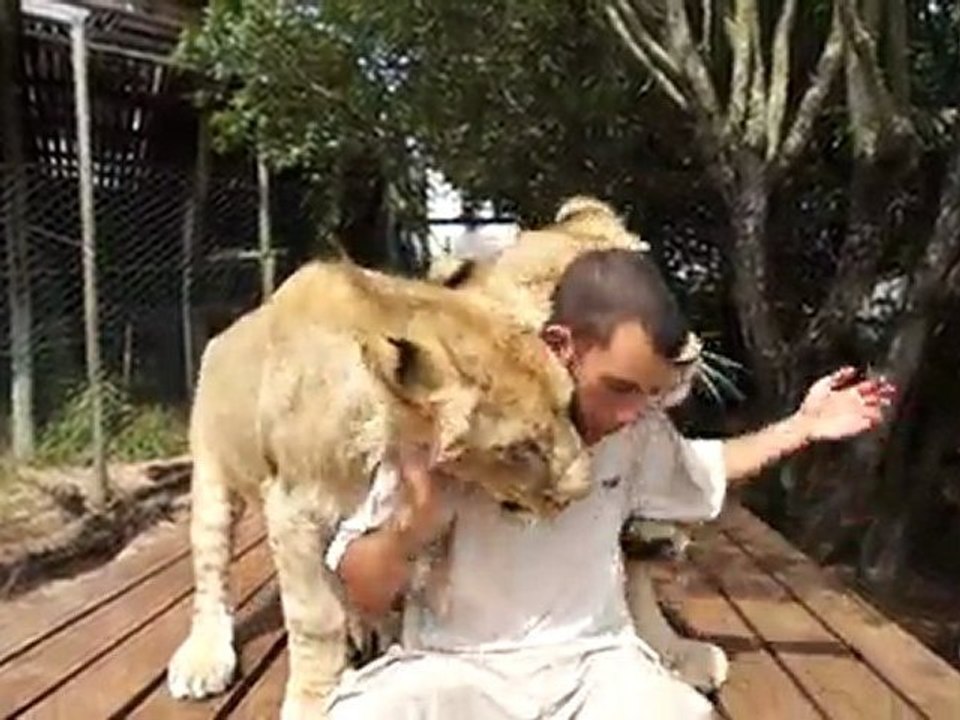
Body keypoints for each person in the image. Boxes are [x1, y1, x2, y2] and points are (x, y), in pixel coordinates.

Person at [323, 249, 894, 719]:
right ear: (559, 346)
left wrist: (803, 426)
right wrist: (411, 525)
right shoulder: (456, 423)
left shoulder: (637, 431)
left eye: (650, 393)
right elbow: (364, 594)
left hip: (596, 668)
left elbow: (706, 466)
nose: (631, 413)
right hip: (460, 670)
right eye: (619, 388)